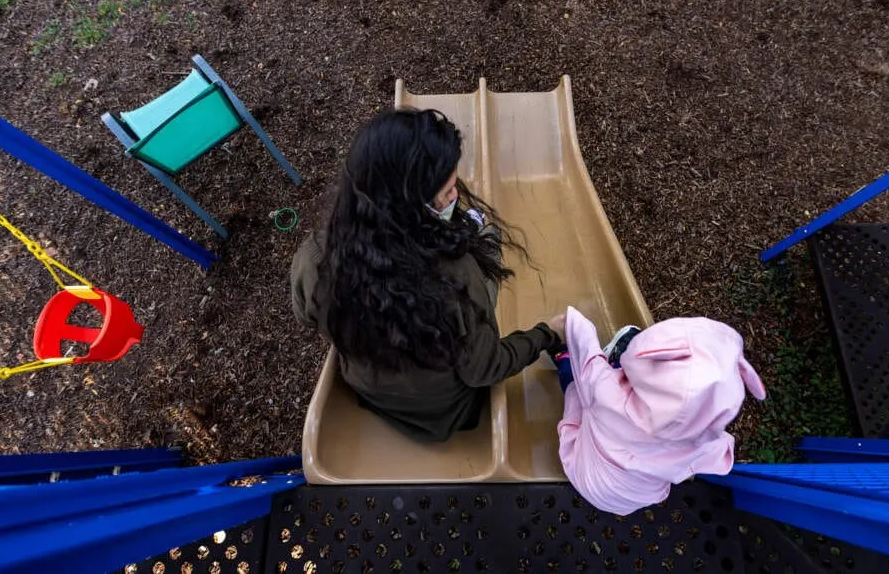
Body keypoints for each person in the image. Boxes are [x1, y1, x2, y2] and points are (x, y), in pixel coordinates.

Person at [291, 108, 567, 442]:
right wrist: (547, 334)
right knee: (487, 245)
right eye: (448, 190)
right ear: (408, 206)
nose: (456, 196)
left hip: (369, 392)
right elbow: (484, 369)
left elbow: (307, 318)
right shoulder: (455, 275)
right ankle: (481, 234)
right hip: (444, 413)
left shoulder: (314, 256)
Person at [547, 307, 766, 515]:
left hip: (584, 472)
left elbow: (585, 350)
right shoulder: (703, 443)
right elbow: (723, 458)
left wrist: (570, 321)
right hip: (630, 500)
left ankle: (562, 357)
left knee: (577, 389)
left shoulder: (605, 392)